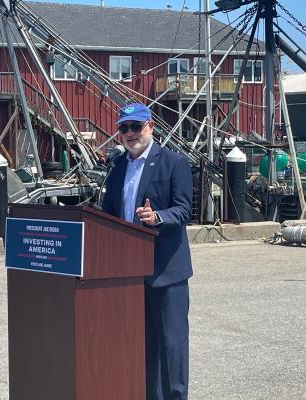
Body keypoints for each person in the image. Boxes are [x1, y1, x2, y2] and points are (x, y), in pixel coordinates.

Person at [102, 103, 193, 400]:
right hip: (130, 272)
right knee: (143, 347)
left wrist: (158, 217)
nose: (129, 134)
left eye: (136, 127)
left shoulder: (173, 163)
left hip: (166, 273)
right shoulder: (117, 168)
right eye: (124, 128)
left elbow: (183, 209)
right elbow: (109, 214)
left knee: (172, 346)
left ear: (151, 127)